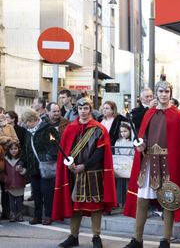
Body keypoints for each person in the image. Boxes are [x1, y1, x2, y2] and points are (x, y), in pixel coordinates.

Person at [123, 79, 180, 248]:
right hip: (149, 161)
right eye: (161, 92)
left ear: (170, 93)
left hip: (169, 162)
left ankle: (166, 239)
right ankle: (137, 239)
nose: (163, 95)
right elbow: (143, 135)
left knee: (169, 200)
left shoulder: (177, 114)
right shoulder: (149, 113)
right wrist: (140, 144)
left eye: (166, 92)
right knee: (143, 199)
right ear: (156, 93)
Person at [53, 98, 116, 248]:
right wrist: (71, 166)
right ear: (77, 110)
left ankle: (96, 236)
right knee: (75, 205)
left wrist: (85, 165)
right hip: (74, 173)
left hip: (93, 172)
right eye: (80, 108)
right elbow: (65, 151)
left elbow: (100, 152)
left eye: (86, 108)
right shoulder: (70, 128)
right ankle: (73, 236)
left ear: (90, 109)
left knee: (95, 205)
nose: (83, 111)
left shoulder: (99, 128)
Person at [22, 109, 58, 226]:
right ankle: (37, 216)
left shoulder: (48, 129)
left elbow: (56, 144)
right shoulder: (28, 132)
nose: (25, 124)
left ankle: (48, 215)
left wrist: (47, 156)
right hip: (33, 168)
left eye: (26, 121)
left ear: (33, 119)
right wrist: (22, 163)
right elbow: (26, 149)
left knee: (47, 193)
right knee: (36, 193)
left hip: (46, 167)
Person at [3, 140, 26, 222]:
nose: (13, 150)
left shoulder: (21, 160)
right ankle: (13, 213)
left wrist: (22, 170)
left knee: (19, 200)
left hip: (19, 182)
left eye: (15, 148)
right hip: (9, 184)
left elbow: (25, 170)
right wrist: (5, 179)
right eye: (11, 149)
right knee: (11, 200)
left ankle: (20, 214)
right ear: (8, 150)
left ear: (19, 149)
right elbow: (4, 171)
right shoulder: (6, 160)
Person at [113, 122, 134, 208]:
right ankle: (120, 202)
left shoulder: (132, 143)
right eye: (121, 132)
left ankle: (129, 203)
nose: (123, 133)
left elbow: (133, 154)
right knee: (120, 183)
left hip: (129, 164)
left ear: (130, 131)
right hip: (120, 164)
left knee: (128, 184)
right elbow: (116, 152)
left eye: (125, 131)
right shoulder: (118, 141)